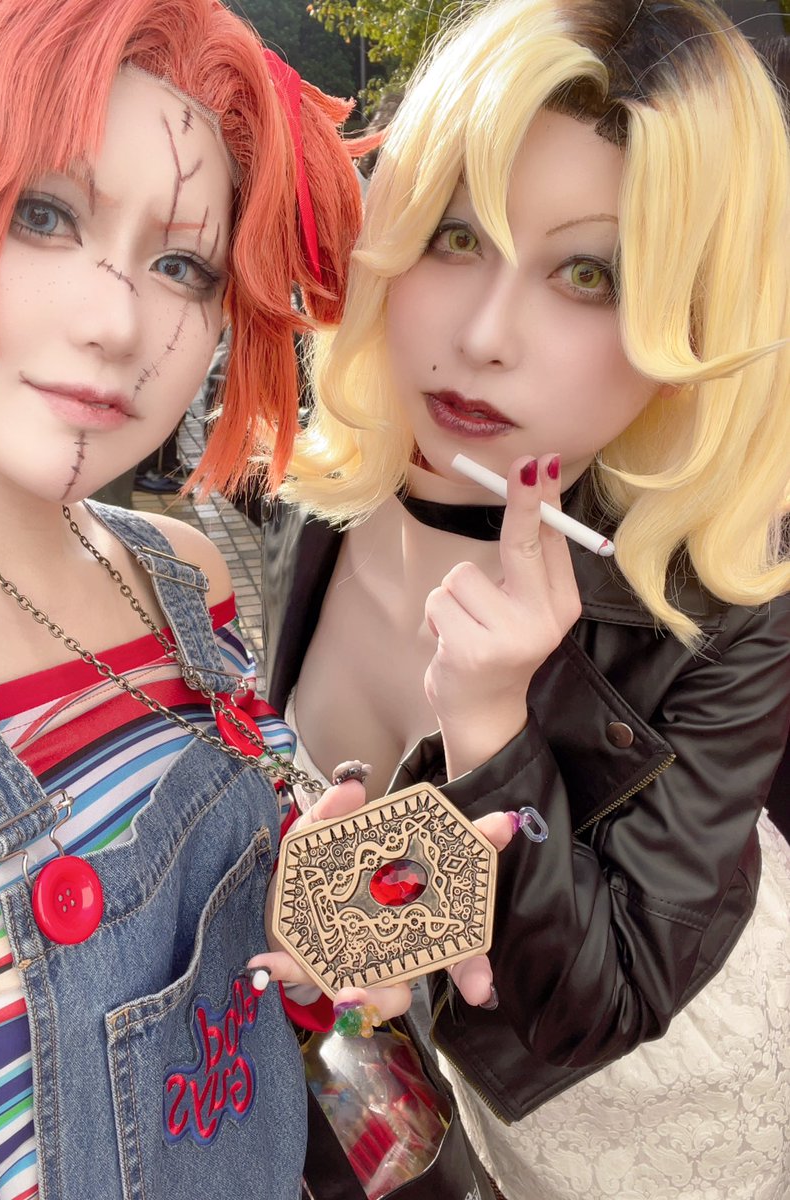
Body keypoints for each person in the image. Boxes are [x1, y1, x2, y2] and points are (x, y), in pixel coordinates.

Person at [0, 0, 491, 1195]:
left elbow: (259, 967)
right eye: (42, 214)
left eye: (181, 265)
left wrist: (364, 921)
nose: (116, 321)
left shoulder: (186, 578)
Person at [262, 1, 790, 1196]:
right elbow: (378, 911)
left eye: (589, 274)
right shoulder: (315, 507)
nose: (485, 334)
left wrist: (493, 728)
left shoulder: (726, 599)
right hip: (469, 1137)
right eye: (455, 236)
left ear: (693, 324)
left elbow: (594, 1000)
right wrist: (331, 936)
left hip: (698, 1115)